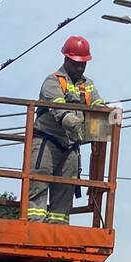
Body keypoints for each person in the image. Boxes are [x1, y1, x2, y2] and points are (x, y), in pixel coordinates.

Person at [28, 35, 106, 225]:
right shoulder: (53, 81)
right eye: (76, 63)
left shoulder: (88, 85)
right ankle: (35, 227)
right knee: (38, 184)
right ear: (66, 60)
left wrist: (109, 116)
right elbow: (61, 112)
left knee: (65, 190)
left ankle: (57, 230)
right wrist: (81, 128)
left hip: (70, 145)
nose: (80, 67)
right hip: (47, 142)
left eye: (83, 64)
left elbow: (98, 107)